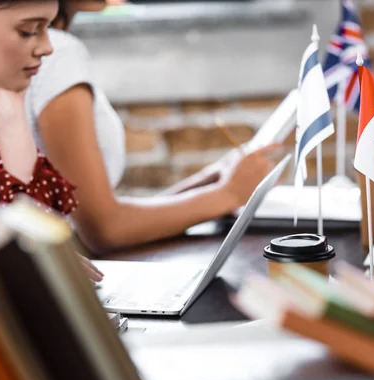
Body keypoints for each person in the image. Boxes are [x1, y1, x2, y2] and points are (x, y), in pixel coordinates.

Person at [25, 0, 280, 254]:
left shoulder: (47, 49)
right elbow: (104, 229)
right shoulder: (57, 53)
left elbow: (95, 218)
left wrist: (204, 185)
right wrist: (229, 194)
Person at [0, 0, 105, 282]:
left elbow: (22, 232)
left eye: (46, 28)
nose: (47, 47)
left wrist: (12, 118)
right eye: (29, 30)